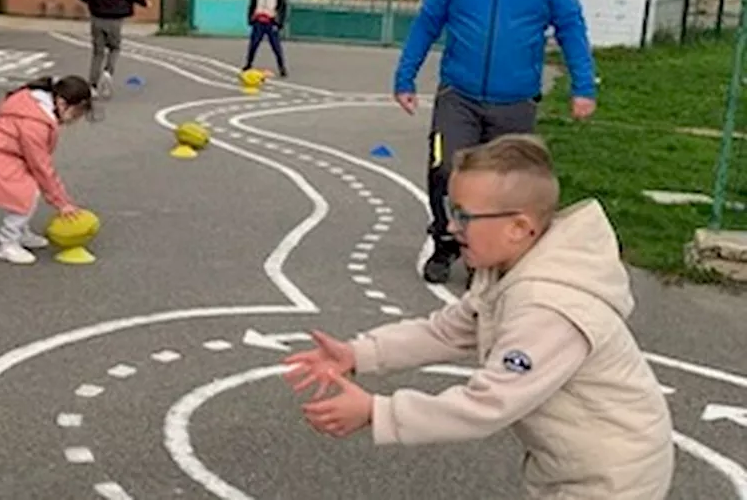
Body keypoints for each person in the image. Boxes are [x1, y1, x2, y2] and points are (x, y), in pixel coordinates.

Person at [283, 135, 673, 499]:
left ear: (519, 227)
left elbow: (487, 405)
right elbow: (446, 332)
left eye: (464, 216)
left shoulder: (548, 308)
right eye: (451, 211)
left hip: (614, 478)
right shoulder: (507, 268)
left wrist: (378, 412)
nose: (451, 227)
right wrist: (358, 353)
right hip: (569, 465)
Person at [393, 0, 598, 285]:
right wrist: (405, 77)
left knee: (505, 186)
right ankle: (446, 240)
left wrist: (583, 87)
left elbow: (572, 29)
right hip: (459, 96)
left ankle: (483, 260)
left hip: (514, 101)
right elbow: (426, 24)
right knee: (445, 170)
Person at [0, 76, 94, 265]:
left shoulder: (36, 108)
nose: (75, 120)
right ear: (62, 103)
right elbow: (41, 166)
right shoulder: (35, 124)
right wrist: (62, 203)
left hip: (1, 154)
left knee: (28, 190)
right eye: (76, 113)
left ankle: (20, 232)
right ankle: (5, 242)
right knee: (26, 193)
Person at [77, 0, 147, 99]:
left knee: (97, 52)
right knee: (114, 48)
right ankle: (108, 72)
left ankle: (93, 86)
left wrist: (93, 2)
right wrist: (144, 2)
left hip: (97, 17)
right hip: (115, 19)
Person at [241, 0, 306, 78]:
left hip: (272, 21)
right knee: (254, 43)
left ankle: (281, 66)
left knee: (275, 45)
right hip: (258, 19)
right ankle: (248, 64)